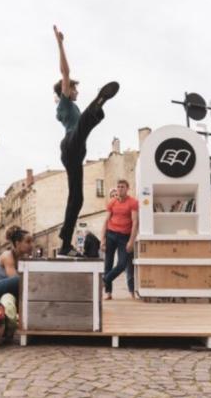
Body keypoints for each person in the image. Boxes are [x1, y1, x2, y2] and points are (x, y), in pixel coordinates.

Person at [53, 25, 120, 257]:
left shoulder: (72, 106)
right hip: (71, 143)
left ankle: (64, 244)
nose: (76, 91)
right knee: (84, 123)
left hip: (76, 152)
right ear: (66, 90)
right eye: (74, 89)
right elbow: (65, 71)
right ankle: (98, 103)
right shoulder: (64, 103)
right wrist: (60, 43)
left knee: (77, 198)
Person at [101, 179, 139, 299]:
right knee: (108, 263)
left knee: (122, 264)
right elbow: (106, 221)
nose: (120, 188)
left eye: (122, 187)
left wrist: (131, 241)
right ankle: (108, 292)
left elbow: (135, 222)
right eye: (118, 187)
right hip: (110, 235)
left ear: (127, 188)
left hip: (124, 237)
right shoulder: (112, 202)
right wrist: (102, 239)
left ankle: (104, 280)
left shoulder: (133, 202)